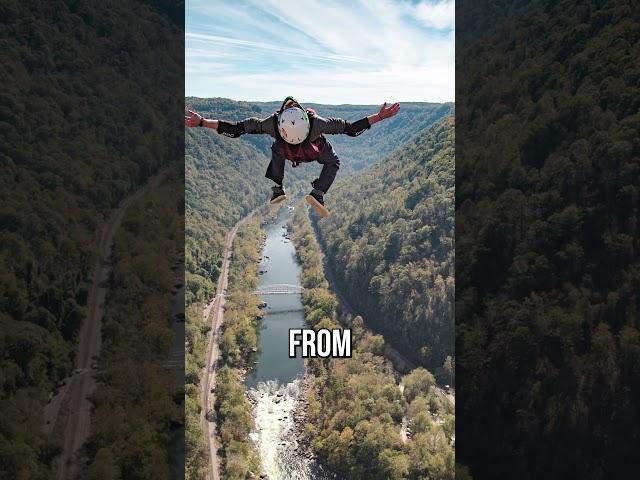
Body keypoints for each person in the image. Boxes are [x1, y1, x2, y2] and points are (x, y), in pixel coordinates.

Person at [184, 97, 400, 217]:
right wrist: (380, 116)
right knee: (333, 162)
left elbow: (236, 128)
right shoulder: (318, 123)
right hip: (314, 151)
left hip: (286, 152)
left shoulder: (272, 124)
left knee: (276, 147)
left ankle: (277, 189)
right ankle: (318, 193)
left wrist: (203, 122)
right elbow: (352, 129)